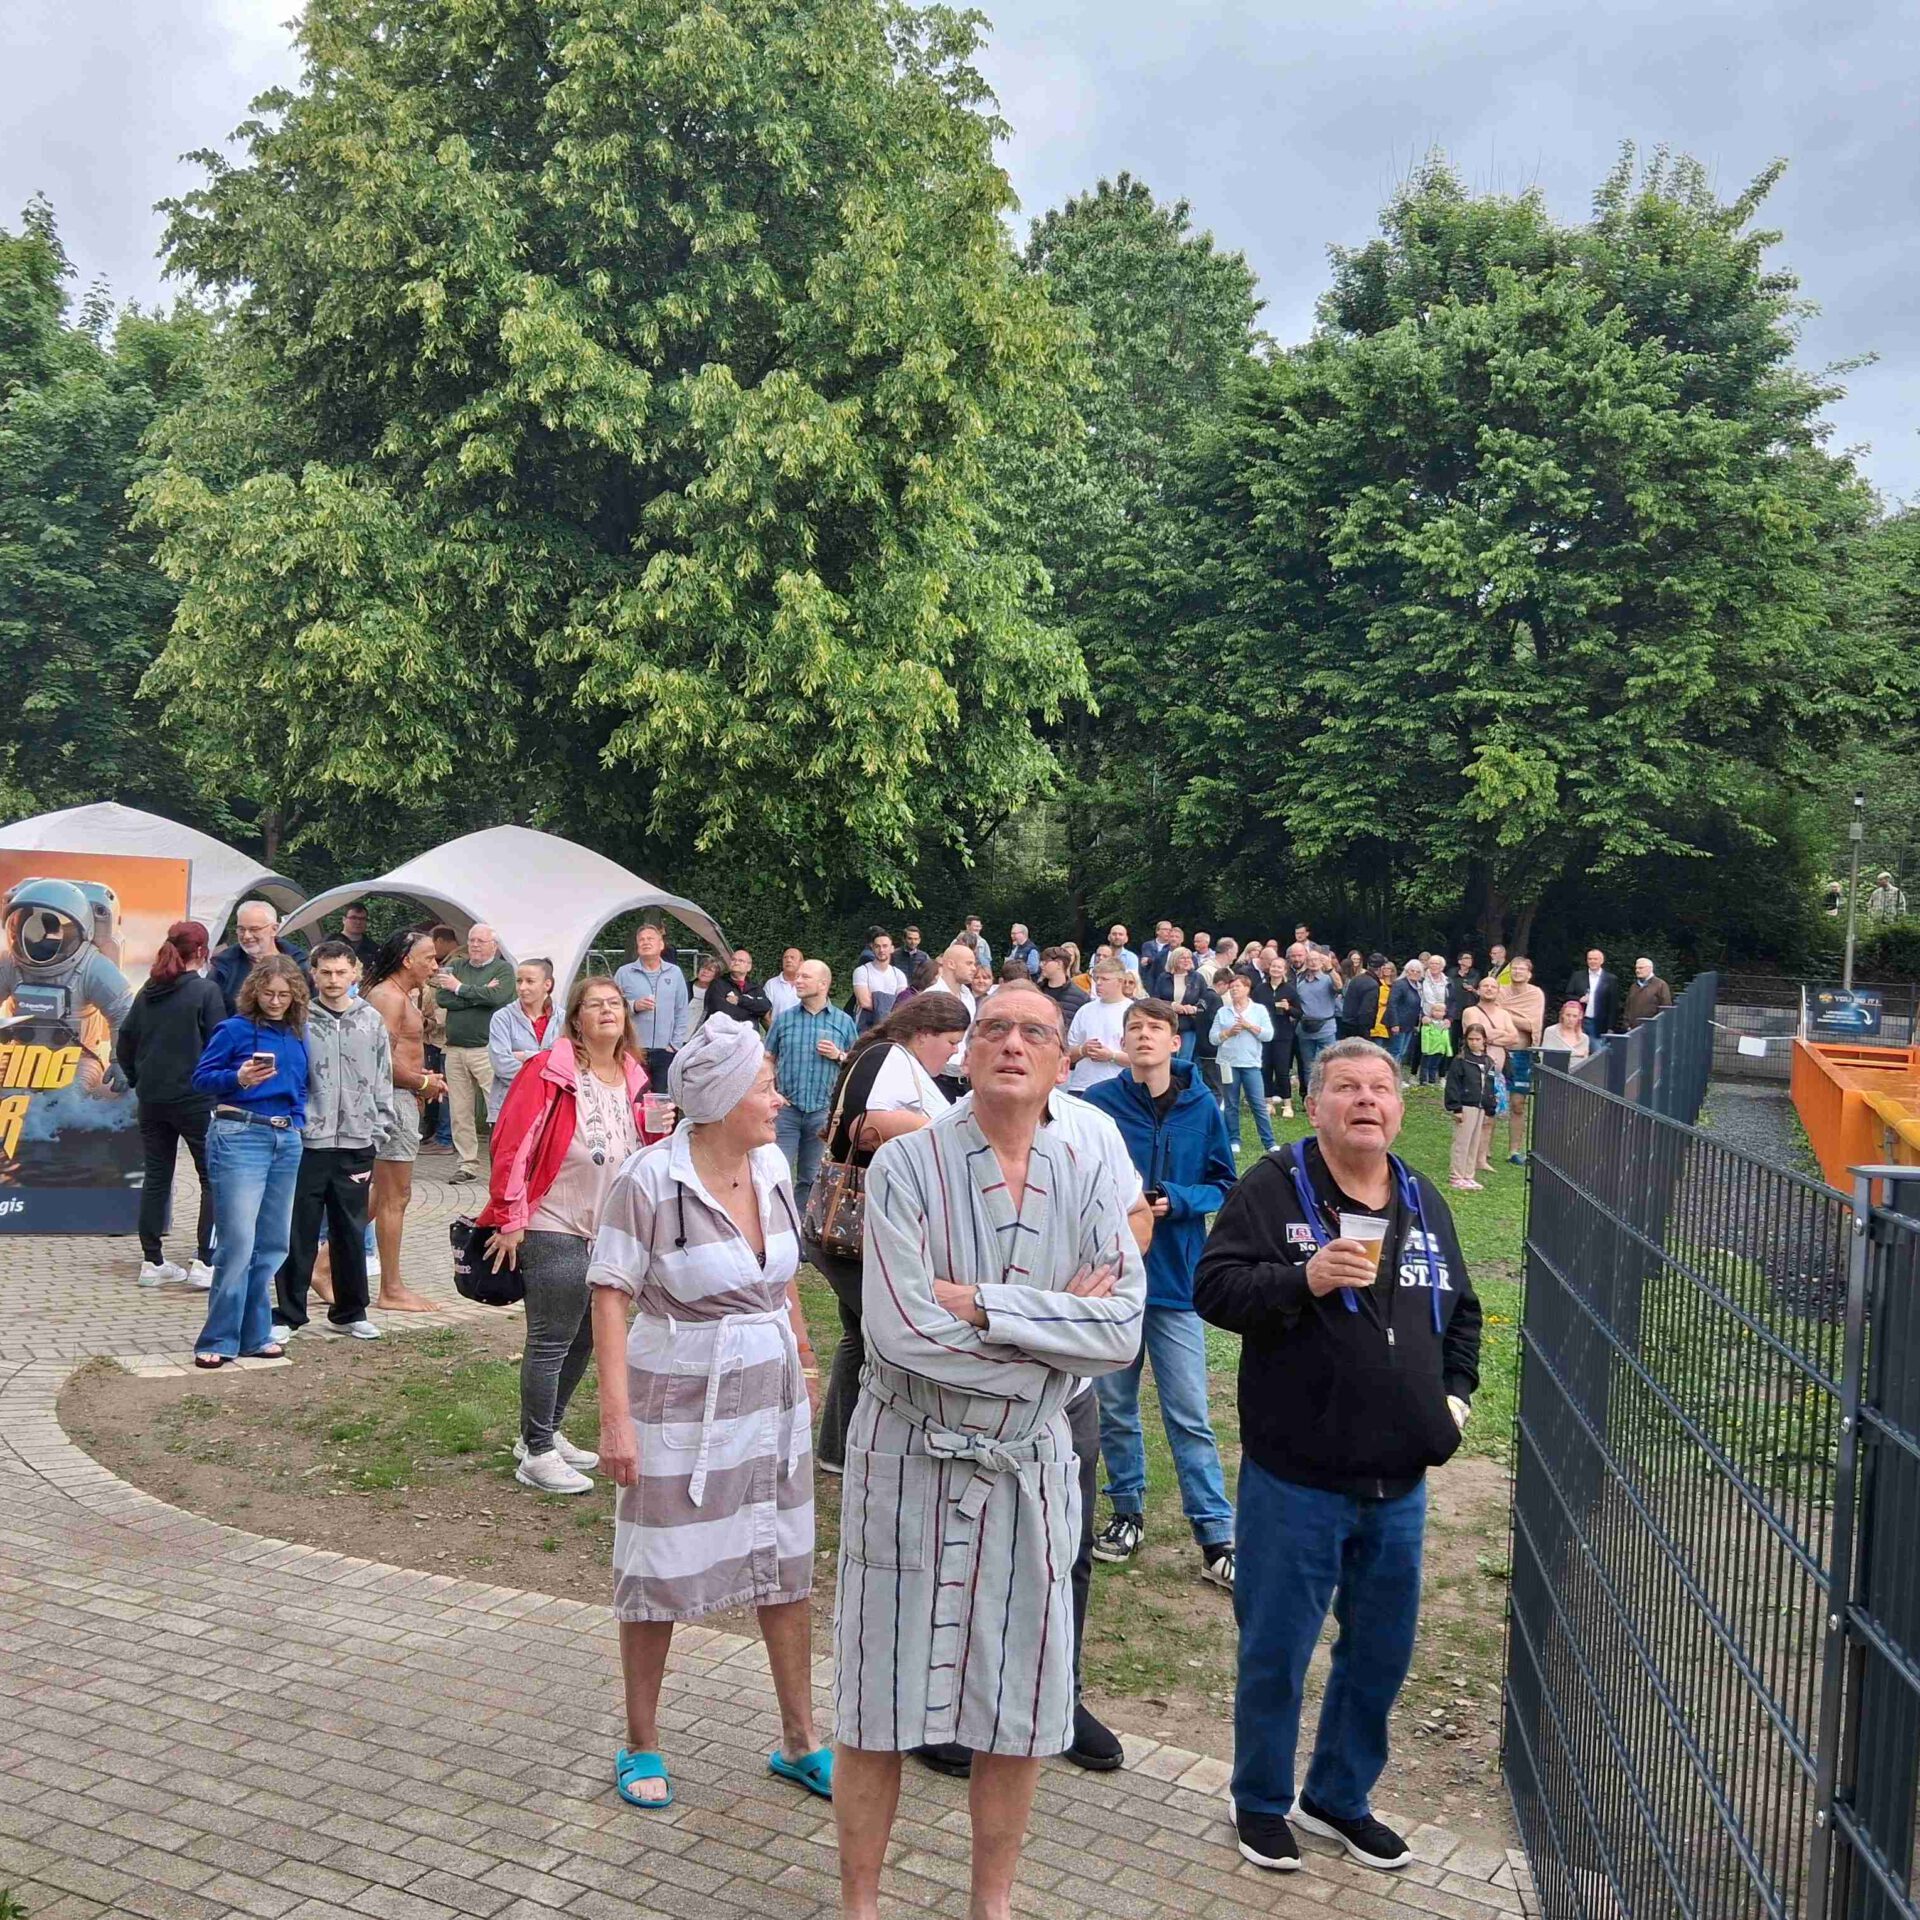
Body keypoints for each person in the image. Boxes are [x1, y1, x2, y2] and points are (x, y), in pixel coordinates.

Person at [832, 983, 1146, 1920]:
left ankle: (991, 1906)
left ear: (1062, 1060)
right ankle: (860, 1905)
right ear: (965, 1055)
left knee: (1022, 1706)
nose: (1012, 1043)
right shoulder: (906, 1168)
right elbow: (899, 1334)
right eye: (994, 1029)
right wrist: (1056, 1335)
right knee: (876, 1698)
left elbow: (1122, 1331)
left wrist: (987, 1305)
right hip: (908, 1457)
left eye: (1034, 1032)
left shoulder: (1087, 1168)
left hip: (1029, 1468)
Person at [1194, 1038, 1482, 1875]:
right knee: (1276, 1648)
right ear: (1317, 1105)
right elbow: (1215, 1287)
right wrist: (1302, 1280)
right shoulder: (1275, 1187)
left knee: (1380, 1651)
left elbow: (1462, 1312)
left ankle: (1339, 1795)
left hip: (1399, 1482)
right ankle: (1260, 1802)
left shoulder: (1423, 1198)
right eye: (1347, 1087)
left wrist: (1453, 1403)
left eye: (1381, 1088)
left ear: (1398, 1107)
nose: (1366, 1100)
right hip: (1296, 1477)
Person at [587, 1020, 827, 1810]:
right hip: (680, 1393)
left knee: (784, 1561)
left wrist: (804, 1350)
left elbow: (782, 1275)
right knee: (658, 1565)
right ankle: (640, 1743)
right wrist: (616, 1420)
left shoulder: (771, 1168)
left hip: (772, 1392)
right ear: (721, 1099)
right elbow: (610, 1295)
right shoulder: (649, 1179)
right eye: (764, 1084)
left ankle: (800, 1742)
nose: (778, 1097)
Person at [480, 975, 664, 1495]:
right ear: (577, 1018)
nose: (607, 1011)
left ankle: (546, 1431)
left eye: (615, 1005)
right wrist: (510, 1216)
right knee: (550, 1339)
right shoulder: (550, 1069)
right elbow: (512, 1141)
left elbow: (641, 1146)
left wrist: (661, 1128)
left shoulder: (633, 1074)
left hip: (611, 1228)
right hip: (555, 1220)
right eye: (595, 1005)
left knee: (587, 1334)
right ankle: (535, 1452)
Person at [1082, 999, 1238, 1588]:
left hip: (1176, 1282)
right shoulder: (1095, 1107)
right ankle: (1126, 1513)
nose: (1144, 1036)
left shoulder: (1204, 1106)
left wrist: (1179, 1198)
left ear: (1177, 1043)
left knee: (1189, 1412)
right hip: (1112, 1282)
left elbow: (1224, 1183)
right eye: (1134, 1028)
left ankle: (1216, 1536)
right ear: (1122, 1041)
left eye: (1155, 1029)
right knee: (1115, 1407)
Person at [804, 995, 972, 1473]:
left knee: (860, 1334)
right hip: (859, 1220)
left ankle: (837, 1451)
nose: (952, 1055)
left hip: (863, 1223)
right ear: (924, 1033)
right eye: (951, 1043)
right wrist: (941, 1126)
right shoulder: (888, 1059)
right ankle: (886, 1445)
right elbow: (861, 1125)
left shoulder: (893, 1060)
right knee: (890, 1329)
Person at [190, 956, 311, 1368]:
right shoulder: (234, 1030)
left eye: (284, 994)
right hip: (240, 1133)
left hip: (285, 1138)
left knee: (273, 1242)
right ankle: (219, 1336)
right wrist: (237, 1078)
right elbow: (201, 1078)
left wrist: (297, 1121)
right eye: (268, 993)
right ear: (254, 991)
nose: (276, 1001)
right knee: (238, 1243)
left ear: (295, 995)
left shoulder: (297, 1034)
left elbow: (301, 1085)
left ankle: (255, 1332)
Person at [274, 938, 395, 1342]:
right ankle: (289, 1313)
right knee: (299, 1230)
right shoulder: (299, 1018)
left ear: (355, 972)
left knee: (350, 1228)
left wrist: (378, 1127)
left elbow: (383, 1075)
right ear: (313, 973)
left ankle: (350, 1311)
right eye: (325, 972)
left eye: (341, 972)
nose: (333, 979)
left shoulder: (371, 1019)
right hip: (308, 1141)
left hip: (357, 1140)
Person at [117, 919, 224, 1288]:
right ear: (201, 952)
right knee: (213, 1178)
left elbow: (125, 1041)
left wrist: (137, 1079)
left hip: (152, 1099)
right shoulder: (206, 992)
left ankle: (152, 1261)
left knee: (157, 1177)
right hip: (196, 1099)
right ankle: (205, 1262)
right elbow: (220, 1045)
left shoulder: (148, 991)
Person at [364, 930, 446, 1313]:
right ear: (406, 960)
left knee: (383, 1197)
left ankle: (324, 1265)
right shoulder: (387, 996)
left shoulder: (402, 995)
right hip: (393, 1103)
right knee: (395, 1197)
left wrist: (423, 1080)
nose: (435, 964)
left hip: (403, 1100)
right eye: (428, 957)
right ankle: (391, 1289)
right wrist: (423, 1081)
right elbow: (378, 1060)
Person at [765, 960, 857, 1215]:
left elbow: (855, 1063)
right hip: (786, 1110)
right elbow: (767, 1059)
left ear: (823, 984)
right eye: (798, 976)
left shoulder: (843, 1021)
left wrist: (838, 1055)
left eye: (805, 976)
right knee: (775, 1172)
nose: (798, 980)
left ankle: (801, 1236)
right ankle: (773, 1230)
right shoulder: (784, 1020)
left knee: (810, 1176)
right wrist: (771, 1093)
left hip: (821, 1112)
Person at [432, 924, 514, 1181]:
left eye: (481, 940)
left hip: (487, 1049)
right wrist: (477, 992)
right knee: (460, 1111)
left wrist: (459, 988)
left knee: (500, 1107)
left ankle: (504, 1161)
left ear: (494, 946)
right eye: (471, 940)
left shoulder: (503, 969)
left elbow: (498, 998)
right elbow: (443, 999)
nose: (475, 945)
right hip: (454, 1049)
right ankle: (467, 1164)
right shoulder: (457, 967)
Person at [615, 923, 692, 1086]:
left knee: (663, 1102)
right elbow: (612, 1007)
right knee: (634, 1098)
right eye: (641, 940)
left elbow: (682, 1011)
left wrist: (675, 1045)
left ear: (661, 945)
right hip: (633, 1050)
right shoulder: (624, 973)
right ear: (637, 946)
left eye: (650, 938)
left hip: (665, 1051)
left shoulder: (675, 972)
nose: (645, 942)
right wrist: (634, 1006)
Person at [1460, 976, 1521, 1178]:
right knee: (1472, 1116)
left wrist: (1489, 1035)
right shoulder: (1471, 1011)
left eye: (1493, 986)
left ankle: (1481, 1158)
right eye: (1485, 985)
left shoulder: (1504, 1014)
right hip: (1475, 1072)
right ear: (1478, 990)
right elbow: (1475, 1034)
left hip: (1497, 1074)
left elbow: (1514, 1037)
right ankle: (1465, 1156)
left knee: (1489, 1117)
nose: (1489, 989)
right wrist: (1497, 1035)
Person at [1212, 969, 1276, 1154]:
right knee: (1231, 1103)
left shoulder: (1258, 1010)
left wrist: (1249, 1026)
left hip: (1250, 1064)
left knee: (1258, 1103)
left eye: (1237, 987)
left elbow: (1268, 1035)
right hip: (1228, 1063)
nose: (1233, 990)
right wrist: (1227, 1033)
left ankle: (1269, 1141)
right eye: (1231, 988)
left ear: (1247, 988)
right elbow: (1212, 1038)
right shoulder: (1223, 1012)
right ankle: (1234, 1139)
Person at [487, 959, 557, 1120]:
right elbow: (501, 1064)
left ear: (547, 984)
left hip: (551, 1111)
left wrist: (525, 1056)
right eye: (519, 981)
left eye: (530, 981)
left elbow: (568, 1062)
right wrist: (548, 1070)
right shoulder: (502, 1018)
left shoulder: (563, 1019)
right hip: (510, 1109)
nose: (522, 987)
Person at [210, 899, 307, 1014]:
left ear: (274, 929)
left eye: (254, 929)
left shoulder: (300, 965)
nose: (246, 936)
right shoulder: (223, 966)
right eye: (241, 929)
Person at [1496, 957, 1547, 1166]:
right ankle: (1483, 1151)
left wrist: (1505, 1012)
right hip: (1498, 1051)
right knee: (1491, 1102)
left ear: (1529, 973)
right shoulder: (1499, 990)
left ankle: (1514, 1150)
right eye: (1514, 968)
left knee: (1518, 1104)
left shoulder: (1535, 994)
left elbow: (1530, 1024)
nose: (1517, 971)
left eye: (1521, 969)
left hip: (1521, 1053)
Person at [1443, 1024, 1498, 1191]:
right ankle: (1456, 1175)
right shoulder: (1461, 1060)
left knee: (1474, 1142)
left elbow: (1490, 1085)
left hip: (1481, 1106)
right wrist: (1456, 1108)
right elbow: (1453, 1085)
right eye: (1471, 1039)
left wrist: (1490, 1108)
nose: (1474, 1042)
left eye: (1477, 1039)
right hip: (1466, 1105)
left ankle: (1468, 1174)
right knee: (1462, 1141)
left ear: (1484, 1040)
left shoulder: (1488, 1062)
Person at [1066, 957, 1130, 1091]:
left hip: (1117, 1088)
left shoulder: (1133, 1012)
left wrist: (1111, 1056)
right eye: (1096, 979)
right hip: (1081, 1086)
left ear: (1120, 981)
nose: (1098, 983)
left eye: (1105, 979)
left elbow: (1141, 1059)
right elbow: (1067, 1053)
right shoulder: (1085, 1010)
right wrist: (1082, 1050)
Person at [1254, 950, 1302, 1119]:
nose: (1275, 969)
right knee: (1265, 1068)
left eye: (1279, 967)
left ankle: (1287, 1104)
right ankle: (1268, 1102)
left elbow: (1299, 1013)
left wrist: (1288, 1008)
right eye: (1273, 966)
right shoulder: (1260, 989)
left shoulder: (1290, 990)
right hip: (1264, 1034)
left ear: (1284, 970)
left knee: (1282, 1070)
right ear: (1269, 968)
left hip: (1283, 1035)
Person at [851, 934, 907, 1032]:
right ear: (872, 948)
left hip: (892, 1026)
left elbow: (902, 1003)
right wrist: (890, 1004)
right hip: (865, 1027)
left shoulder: (899, 975)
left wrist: (876, 999)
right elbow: (864, 1002)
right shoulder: (862, 971)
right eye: (877, 946)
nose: (881, 950)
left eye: (885, 946)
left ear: (892, 949)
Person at [705, 947, 771, 1027]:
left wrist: (739, 1000)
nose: (736, 963)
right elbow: (720, 1010)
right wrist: (752, 1012)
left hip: (749, 1035)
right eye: (733, 960)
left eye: (741, 961)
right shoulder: (718, 984)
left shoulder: (755, 988)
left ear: (749, 967)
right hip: (723, 1034)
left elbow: (765, 1006)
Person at [1566, 948, 1621, 1042]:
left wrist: (1611, 1027)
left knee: (1598, 1052)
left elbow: (1613, 1005)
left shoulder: (1611, 979)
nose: (1592, 961)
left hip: (1599, 1024)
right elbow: (1567, 995)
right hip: (1579, 1021)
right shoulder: (1578, 976)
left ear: (1602, 961)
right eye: (1590, 959)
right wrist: (1579, 999)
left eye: (1595, 959)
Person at [1417, 955, 1453, 1087]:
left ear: (1442, 966)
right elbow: (1417, 1000)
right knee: (1423, 1051)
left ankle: (1437, 1078)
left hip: (1443, 1018)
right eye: (1431, 963)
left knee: (1439, 1051)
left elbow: (1453, 1001)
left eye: (1437, 964)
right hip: (1426, 1018)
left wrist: (1449, 1018)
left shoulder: (1448, 982)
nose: (1434, 966)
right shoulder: (1421, 980)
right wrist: (1421, 1016)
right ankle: (1420, 1078)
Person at [1037, 945, 1089, 1026]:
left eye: (1045, 962)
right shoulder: (1036, 991)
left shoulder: (1081, 998)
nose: (1041, 965)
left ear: (1059, 964)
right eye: (1041, 961)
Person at [1623, 957, 1674, 1028]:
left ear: (1650, 968)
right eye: (1636, 968)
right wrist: (1626, 1025)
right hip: (1633, 1030)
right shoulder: (1634, 986)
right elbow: (1628, 1007)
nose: (1637, 970)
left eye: (1641, 968)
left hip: (1651, 1030)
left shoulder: (1660, 985)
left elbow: (1666, 1009)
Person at [1541, 996, 1592, 1066]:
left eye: (1574, 1016)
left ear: (1580, 1017)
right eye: (1568, 1015)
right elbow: (1546, 1056)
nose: (1570, 1019)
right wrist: (1576, 1054)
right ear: (1562, 1015)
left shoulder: (1584, 1038)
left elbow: (1583, 1063)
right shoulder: (1551, 1032)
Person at [763, 947, 806, 1020]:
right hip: (778, 1030)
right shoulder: (771, 984)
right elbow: (765, 1016)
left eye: (792, 957)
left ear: (801, 962)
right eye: (785, 957)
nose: (788, 960)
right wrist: (775, 1031)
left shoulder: (808, 984)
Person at [338, 901, 379, 968]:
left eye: (362, 919)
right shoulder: (330, 943)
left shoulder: (373, 948)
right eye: (353, 918)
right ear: (344, 920)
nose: (358, 922)